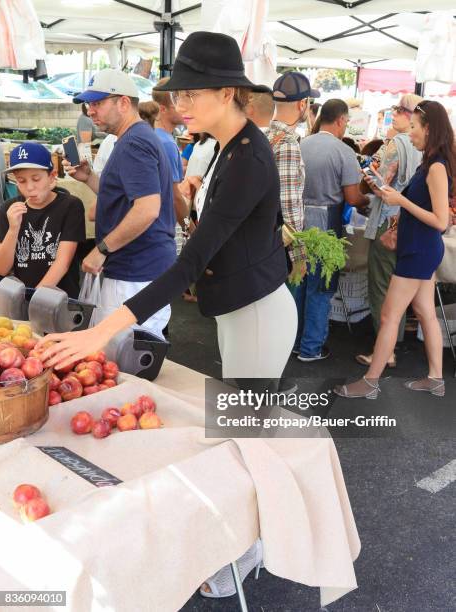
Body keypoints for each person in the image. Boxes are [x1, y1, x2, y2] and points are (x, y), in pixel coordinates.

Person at [39, 31, 298, 597]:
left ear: (228, 93)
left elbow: (190, 261)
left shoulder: (249, 156)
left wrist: (103, 331)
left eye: (192, 95)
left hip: (257, 313)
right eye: (177, 96)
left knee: (248, 435)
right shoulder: (230, 145)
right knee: (242, 429)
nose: (180, 106)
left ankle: (252, 548)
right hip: (240, 307)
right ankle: (250, 539)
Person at [336, 100, 454, 399]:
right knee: (426, 312)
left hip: (419, 250)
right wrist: (394, 209)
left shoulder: (436, 167)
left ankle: (371, 381)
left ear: (429, 129)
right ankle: (435, 378)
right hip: (419, 248)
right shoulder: (430, 163)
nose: (409, 132)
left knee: (389, 316)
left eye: (414, 127)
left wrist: (400, 202)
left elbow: (440, 220)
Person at [64, 68, 177, 339]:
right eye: (89, 104)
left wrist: (102, 249)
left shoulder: (134, 142)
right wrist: (89, 177)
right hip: (137, 268)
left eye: (97, 103)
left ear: (123, 102)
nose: (90, 111)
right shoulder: (132, 139)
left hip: (135, 271)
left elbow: (147, 209)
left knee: (123, 358)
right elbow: (125, 196)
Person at [295, 99, 369, 361]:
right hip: (326, 220)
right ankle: (310, 348)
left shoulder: (300, 145)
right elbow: (352, 198)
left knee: (299, 281)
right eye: (346, 122)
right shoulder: (342, 151)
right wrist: (368, 200)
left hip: (297, 220)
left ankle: (295, 342)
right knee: (322, 286)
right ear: (340, 120)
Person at [357, 94, 423, 368]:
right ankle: (396, 346)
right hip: (415, 223)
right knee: (408, 290)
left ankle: (386, 351)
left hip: (389, 222)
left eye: (400, 110)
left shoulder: (396, 144)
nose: (394, 113)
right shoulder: (429, 147)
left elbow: (380, 185)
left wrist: (364, 171)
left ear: (412, 117)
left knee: (381, 287)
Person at [0, 142, 85, 297]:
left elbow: (62, 263)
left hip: (61, 300)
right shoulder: (7, 210)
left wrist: (34, 298)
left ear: (52, 177)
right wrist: (13, 229)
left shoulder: (70, 206)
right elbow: (1, 268)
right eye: (21, 181)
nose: (29, 187)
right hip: (20, 300)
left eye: (36, 179)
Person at [265, 72, 317, 276]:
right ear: (302, 103)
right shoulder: (287, 144)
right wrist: (299, 256)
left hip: (260, 240)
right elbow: (289, 205)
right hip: (276, 246)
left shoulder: (266, 136)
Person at [152, 77, 189, 228]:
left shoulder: (154, 136)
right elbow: (175, 198)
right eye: (178, 104)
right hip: (161, 227)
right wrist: (190, 230)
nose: (185, 108)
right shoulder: (166, 143)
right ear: (162, 109)